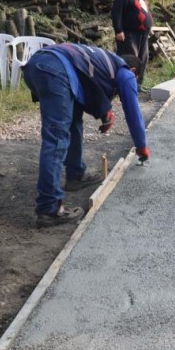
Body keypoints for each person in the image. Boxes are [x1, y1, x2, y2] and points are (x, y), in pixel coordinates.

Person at [22, 43, 151, 228]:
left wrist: (104, 113)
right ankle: (49, 208)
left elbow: (87, 89)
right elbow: (133, 112)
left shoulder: (102, 61)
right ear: (133, 70)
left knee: (74, 121)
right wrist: (141, 145)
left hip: (38, 64)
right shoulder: (125, 72)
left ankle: (76, 175)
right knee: (57, 137)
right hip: (55, 69)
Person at [112, 0, 153, 84]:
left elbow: (145, 11)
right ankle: (127, 84)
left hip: (143, 34)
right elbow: (116, 13)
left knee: (143, 60)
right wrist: (118, 30)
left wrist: (150, 26)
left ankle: (138, 84)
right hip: (129, 34)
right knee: (130, 60)